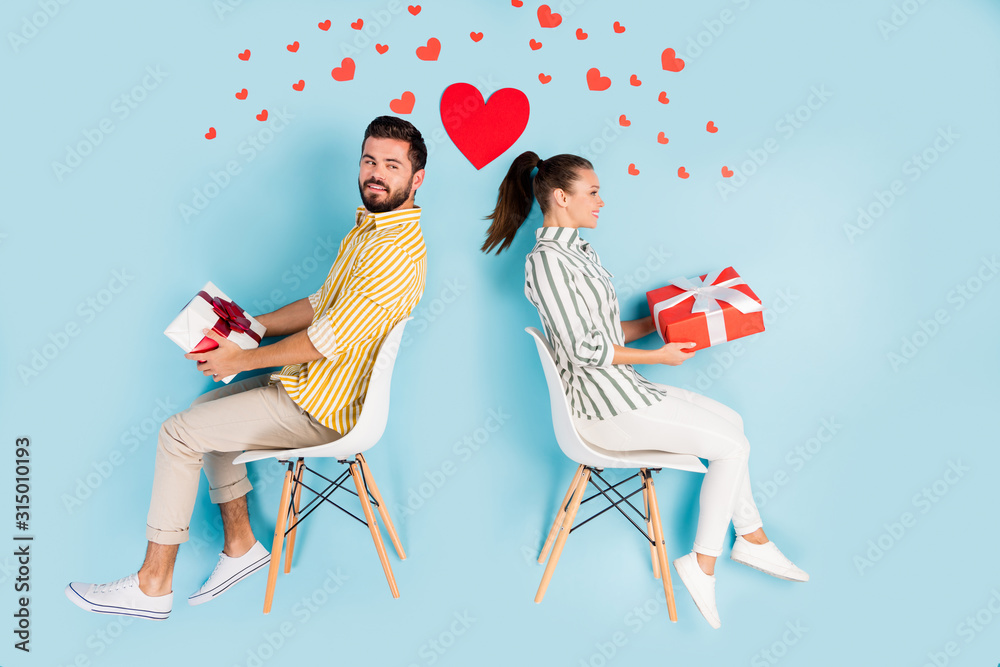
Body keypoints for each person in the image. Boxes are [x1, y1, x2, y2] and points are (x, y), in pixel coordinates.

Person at [66, 116, 428, 620]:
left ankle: (152, 586)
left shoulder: (394, 253)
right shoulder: (370, 232)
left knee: (178, 434)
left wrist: (241, 359)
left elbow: (325, 340)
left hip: (324, 407)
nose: (376, 173)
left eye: (392, 165)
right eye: (369, 161)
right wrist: (252, 327)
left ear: (416, 178)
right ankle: (241, 546)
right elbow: (321, 303)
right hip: (307, 385)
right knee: (203, 413)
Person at [482, 151, 807, 629]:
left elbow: (610, 331)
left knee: (733, 425)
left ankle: (753, 540)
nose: (601, 202)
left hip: (625, 389)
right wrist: (661, 359)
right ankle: (703, 562)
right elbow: (583, 348)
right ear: (560, 197)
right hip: (603, 411)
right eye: (592, 192)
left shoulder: (580, 253)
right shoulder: (548, 263)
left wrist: (669, 324)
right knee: (733, 447)